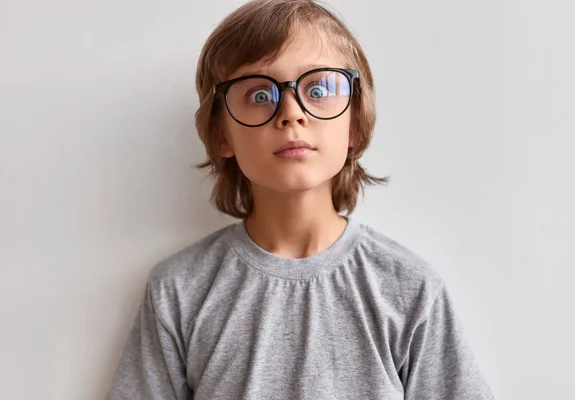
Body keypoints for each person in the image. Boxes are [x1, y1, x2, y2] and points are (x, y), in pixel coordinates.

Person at [106, 0, 495, 399]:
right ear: (222, 133)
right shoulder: (178, 290)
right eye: (259, 95)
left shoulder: (409, 289)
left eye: (320, 89)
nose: (291, 114)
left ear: (354, 125)